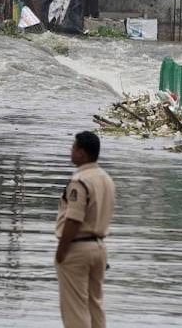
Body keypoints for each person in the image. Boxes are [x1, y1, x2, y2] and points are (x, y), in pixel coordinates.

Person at [56, 131, 115, 328]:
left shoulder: (79, 181)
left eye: (73, 148)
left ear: (82, 153)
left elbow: (73, 219)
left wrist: (61, 252)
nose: (70, 151)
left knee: (75, 308)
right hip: (99, 248)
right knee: (94, 304)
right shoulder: (106, 179)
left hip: (77, 248)